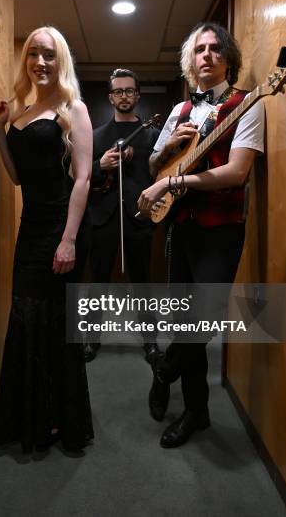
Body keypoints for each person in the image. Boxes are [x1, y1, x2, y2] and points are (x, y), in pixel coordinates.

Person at [138, 22, 264, 447]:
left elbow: (236, 172)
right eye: (199, 50)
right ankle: (197, 411)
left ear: (228, 57)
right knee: (184, 318)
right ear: (190, 62)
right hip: (181, 228)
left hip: (221, 229)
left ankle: (164, 367)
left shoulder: (248, 104)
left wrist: (174, 184)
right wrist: (170, 148)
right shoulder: (179, 111)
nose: (206, 56)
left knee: (204, 318)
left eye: (214, 49)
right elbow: (155, 167)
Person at [0, 26, 93, 453]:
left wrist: (68, 240)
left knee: (53, 326)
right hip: (29, 230)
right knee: (26, 321)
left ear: (61, 59)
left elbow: (84, 177)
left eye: (49, 55)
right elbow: (16, 178)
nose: (40, 62)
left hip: (58, 230)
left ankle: (59, 421)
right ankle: (31, 418)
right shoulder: (22, 112)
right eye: (33, 54)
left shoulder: (74, 109)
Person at [84, 68, 160, 363]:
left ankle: (150, 343)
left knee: (143, 283)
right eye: (118, 91)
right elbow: (79, 176)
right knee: (97, 282)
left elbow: (159, 176)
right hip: (102, 217)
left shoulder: (153, 135)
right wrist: (99, 164)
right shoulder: (95, 136)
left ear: (137, 96)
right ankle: (92, 341)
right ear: (110, 97)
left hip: (138, 216)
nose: (124, 96)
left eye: (129, 91)